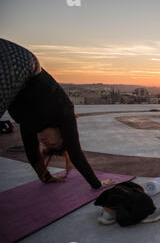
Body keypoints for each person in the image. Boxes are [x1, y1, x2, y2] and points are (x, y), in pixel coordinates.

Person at [0, 38, 114, 189]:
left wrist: (46, 177)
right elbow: (76, 155)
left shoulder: (30, 125)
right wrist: (97, 184)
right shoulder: (64, 113)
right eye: (54, 143)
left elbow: (32, 152)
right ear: (62, 134)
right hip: (20, 62)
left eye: (45, 145)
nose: (45, 141)